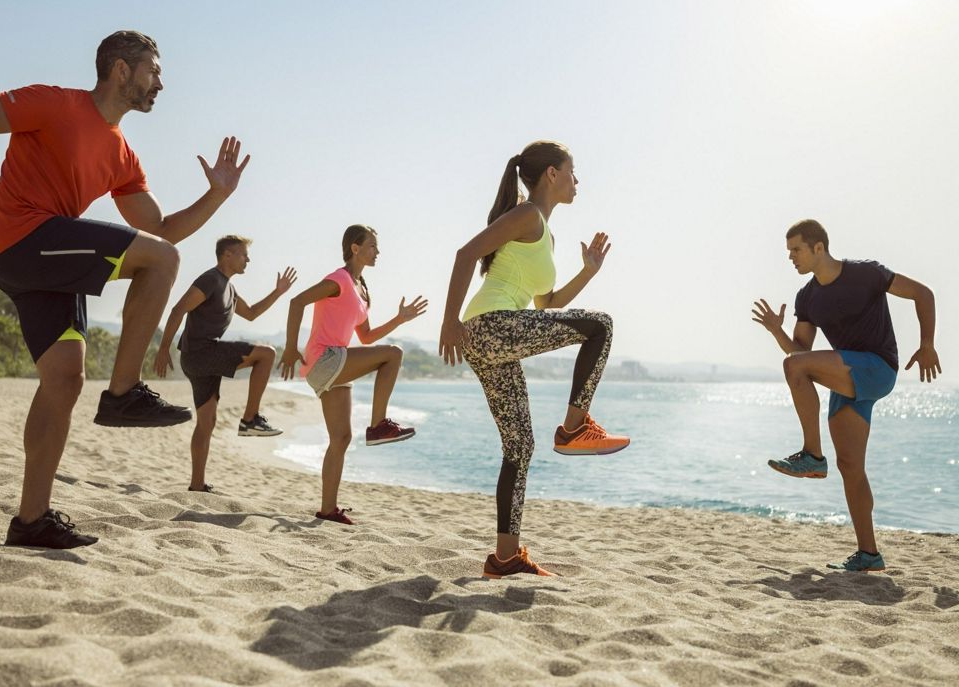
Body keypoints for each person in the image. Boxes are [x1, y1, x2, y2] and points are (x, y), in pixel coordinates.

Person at [0, 30, 251, 549]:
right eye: (153, 71)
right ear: (120, 70)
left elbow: (160, 228)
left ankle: (31, 520)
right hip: (23, 240)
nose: (161, 81)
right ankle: (122, 394)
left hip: (48, 262)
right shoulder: (54, 104)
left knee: (64, 380)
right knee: (162, 263)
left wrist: (216, 196)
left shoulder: (123, 155)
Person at [439, 141, 629, 579]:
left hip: (495, 335)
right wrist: (449, 321)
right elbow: (465, 255)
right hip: (489, 325)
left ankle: (505, 557)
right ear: (551, 175)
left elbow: (547, 303)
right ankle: (575, 427)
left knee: (519, 447)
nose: (577, 180)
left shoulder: (543, 231)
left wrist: (589, 271)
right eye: (572, 171)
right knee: (600, 325)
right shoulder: (527, 215)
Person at [752, 218, 941, 572]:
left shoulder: (866, 274)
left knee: (796, 370)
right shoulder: (807, 297)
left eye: (796, 250)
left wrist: (927, 344)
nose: (791, 257)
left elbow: (923, 293)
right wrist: (777, 332)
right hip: (848, 378)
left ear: (818, 247)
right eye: (789, 251)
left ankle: (812, 454)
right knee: (850, 466)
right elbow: (798, 353)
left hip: (877, 368)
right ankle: (869, 555)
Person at [279, 225, 427, 525]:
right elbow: (297, 302)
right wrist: (290, 348)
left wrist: (400, 318)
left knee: (342, 438)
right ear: (355, 248)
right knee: (394, 354)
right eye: (372, 246)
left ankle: (327, 510)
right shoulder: (339, 280)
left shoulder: (362, 289)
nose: (378, 252)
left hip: (334, 364)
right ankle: (377, 425)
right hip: (326, 358)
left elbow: (368, 336)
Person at [153, 235, 297, 493]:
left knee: (206, 422)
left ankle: (197, 484)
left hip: (200, 358)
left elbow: (251, 313)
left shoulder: (229, 287)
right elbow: (178, 309)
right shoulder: (210, 280)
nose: (248, 259)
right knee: (266, 354)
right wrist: (163, 349)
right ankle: (250, 419)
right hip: (201, 353)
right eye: (243, 254)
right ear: (227, 255)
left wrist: (277, 292)